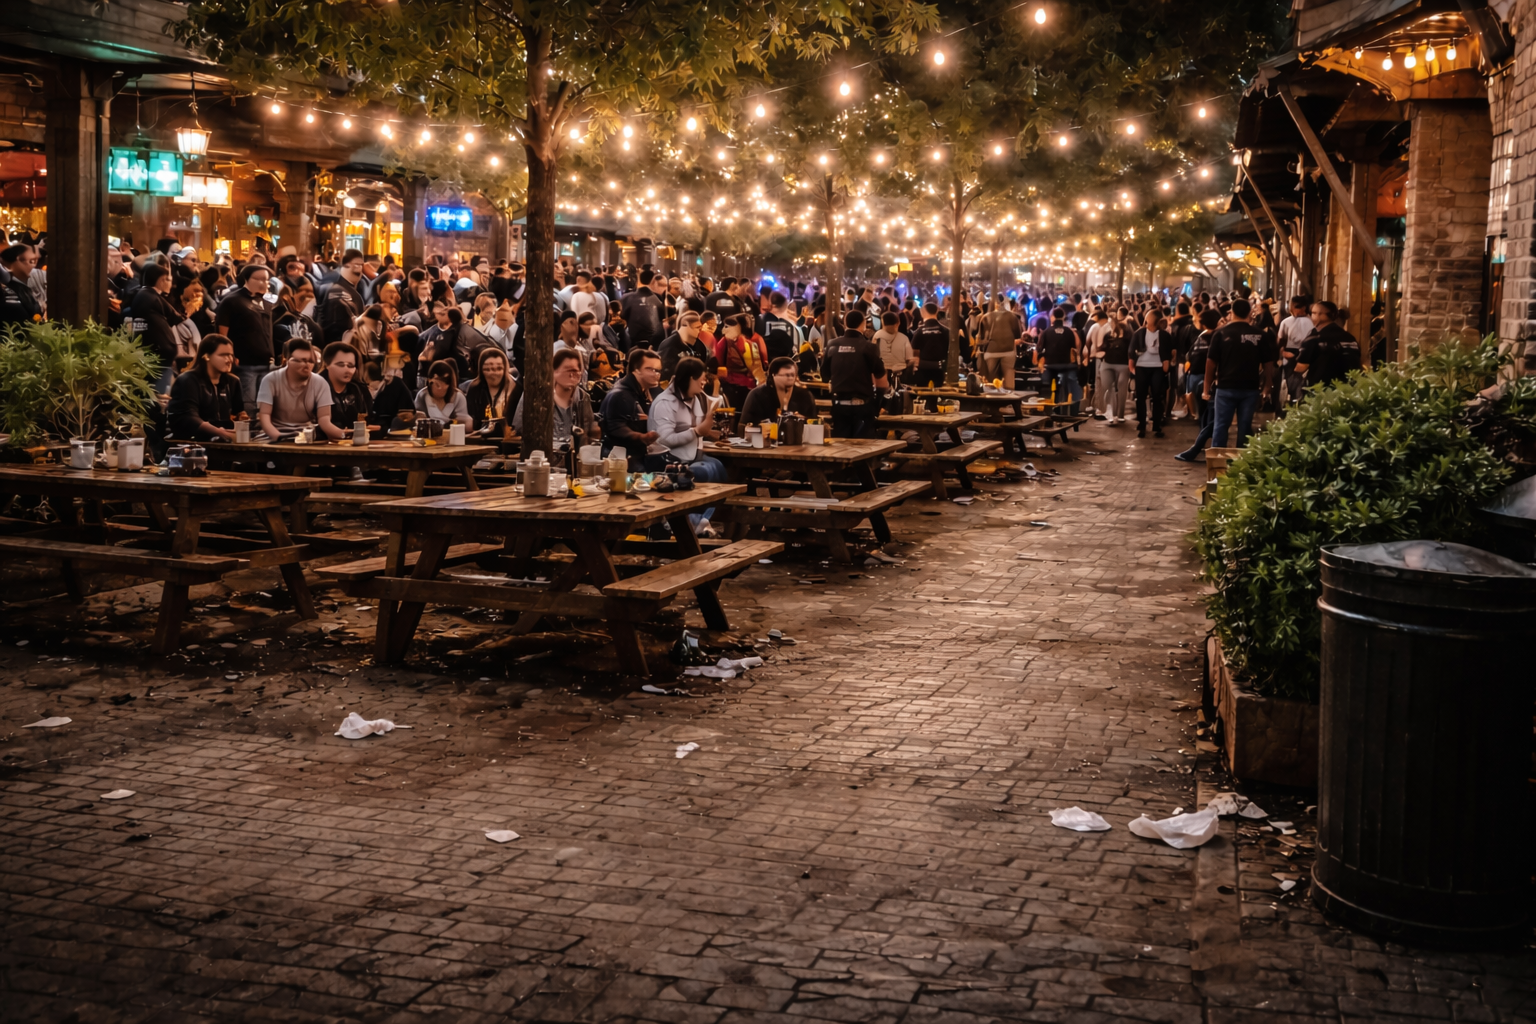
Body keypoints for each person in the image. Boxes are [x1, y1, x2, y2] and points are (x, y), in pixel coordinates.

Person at [650, 356, 729, 530]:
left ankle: (699, 520)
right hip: (666, 460)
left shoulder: (695, 398)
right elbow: (664, 440)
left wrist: (709, 433)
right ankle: (687, 523)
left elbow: (695, 428)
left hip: (690, 455)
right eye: (702, 379)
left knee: (720, 468)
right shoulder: (665, 403)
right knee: (702, 471)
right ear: (691, 378)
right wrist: (698, 431)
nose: (704, 382)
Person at [1204, 297, 1279, 448]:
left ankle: (1217, 462)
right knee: (1244, 428)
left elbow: (1211, 363)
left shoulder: (1220, 334)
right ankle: (1241, 464)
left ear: (1231, 312)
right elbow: (1268, 363)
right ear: (1250, 312)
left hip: (1225, 387)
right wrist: (1267, 385)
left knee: (1220, 427)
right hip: (1250, 388)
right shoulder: (1260, 335)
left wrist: (1206, 388)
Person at [512, 348, 599, 449]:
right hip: (540, 456)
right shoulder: (534, 394)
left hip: (573, 457)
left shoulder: (582, 397)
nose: (570, 374)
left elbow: (588, 435)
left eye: (574, 370)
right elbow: (518, 428)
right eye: (566, 369)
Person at [167, 334, 247, 441]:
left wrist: (242, 418)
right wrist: (219, 432)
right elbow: (189, 419)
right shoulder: (188, 380)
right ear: (206, 356)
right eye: (223, 355)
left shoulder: (233, 382)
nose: (229, 360)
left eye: (231, 355)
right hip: (191, 443)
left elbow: (238, 414)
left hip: (224, 441)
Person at [256, 337, 335, 440]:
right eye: (300, 360)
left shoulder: (320, 382)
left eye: (310, 361)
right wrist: (277, 437)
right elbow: (264, 416)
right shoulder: (270, 380)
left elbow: (325, 420)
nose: (306, 365)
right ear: (286, 359)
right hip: (273, 437)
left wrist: (343, 436)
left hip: (306, 437)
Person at [824, 309, 887, 439]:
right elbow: (881, 379)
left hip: (839, 406)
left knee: (840, 445)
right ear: (863, 324)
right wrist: (877, 403)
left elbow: (825, 375)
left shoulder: (832, 345)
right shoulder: (869, 347)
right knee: (862, 447)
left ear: (845, 323)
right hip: (862, 407)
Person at [220, 263, 276, 405]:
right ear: (247, 279)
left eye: (267, 280)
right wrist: (229, 355)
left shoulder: (267, 303)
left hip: (266, 362)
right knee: (248, 402)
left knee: (265, 403)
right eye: (260, 279)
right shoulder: (232, 301)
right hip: (245, 363)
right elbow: (222, 334)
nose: (264, 283)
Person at [598, 347, 662, 468]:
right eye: (650, 369)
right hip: (621, 461)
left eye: (658, 370)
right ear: (635, 370)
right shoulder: (621, 395)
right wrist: (642, 437)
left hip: (636, 455)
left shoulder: (645, 393)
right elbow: (615, 427)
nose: (656, 374)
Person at [127, 263, 185, 393]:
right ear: (162, 280)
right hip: (157, 361)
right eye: (169, 280)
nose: (171, 284)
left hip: (158, 359)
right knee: (159, 399)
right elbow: (175, 318)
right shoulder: (149, 298)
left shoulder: (148, 296)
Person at [1174, 309, 1222, 462]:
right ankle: (1205, 445)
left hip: (1198, 376)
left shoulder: (1204, 336)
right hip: (1206, 378)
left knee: (1206, 413)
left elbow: (1191, 355)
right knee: (1211, 414)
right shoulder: (1215, 337)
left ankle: (1202, 444)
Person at [1294, 300, 1360, 394]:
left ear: (1320, 315)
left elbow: (1301, 367)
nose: (1311, 316)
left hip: (1320, 391)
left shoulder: (1314, 339)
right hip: (1347, 390)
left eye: (1313, 313)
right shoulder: (1350, 338)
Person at [713, 313, 769, 410]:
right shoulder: (726, 342)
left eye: (727, 327)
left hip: (739, 386)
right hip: (736, 385)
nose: (723, 330)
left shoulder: (751, 343)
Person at [1129, 309, 1171, 438]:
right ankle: (1142, 424)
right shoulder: (1139, 333)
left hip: (1157, 367)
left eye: (1149, 316)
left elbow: (1169, 351)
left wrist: (1166, 362)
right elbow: (1131, 350)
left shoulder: (1164, 335)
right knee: (1140, 396)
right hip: (1141, 366)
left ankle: (1156, 424)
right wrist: (1132, 366)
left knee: (1157, 396)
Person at [740, 356, 819, 424]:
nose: (791, 378)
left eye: (793, 375)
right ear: (773, 375)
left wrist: (802, 420)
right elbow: (745, 425)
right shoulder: (757, 395)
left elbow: (814, 423)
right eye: (787, 375)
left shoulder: (805, 396)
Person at [320, 341, 372, 436]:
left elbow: (368, 419)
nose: (346, 369)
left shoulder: (359, 389)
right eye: (340, 365)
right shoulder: (316, 387)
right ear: (327, 365)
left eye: (351, 366)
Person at [1035, 308, 1081, 414]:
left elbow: (1039, 348)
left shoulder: (1046, 331)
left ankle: (1047, 409)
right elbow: (1076, 346)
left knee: (1046, 385)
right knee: (1070, 383)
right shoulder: (1069, 331)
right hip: (1066, 365)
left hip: (1050, 365)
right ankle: (1072, 410)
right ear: (1063, 317)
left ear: (1053, 317)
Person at [463, 346, 516, 432]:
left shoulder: (515, 388)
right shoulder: (474, 388)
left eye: (499, 369)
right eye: (487, 369)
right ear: (481, 370)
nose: (493, 373)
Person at [1095, 311, 1132, 425]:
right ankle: (1111, 412)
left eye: (1110, 323)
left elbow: (1131, 349)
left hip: (1123, 365)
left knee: (1122, 387)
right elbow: (1101, 348)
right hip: (1108, 363)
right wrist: (1099, 352)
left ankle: (1120, 414)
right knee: (1107, 387)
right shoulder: (1107, 335)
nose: (1109, 326)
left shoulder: (1127, 335)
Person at [1276, 295, 1315, 404]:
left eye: (1296, 306)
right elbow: (1280, 341)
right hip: (1290, 354)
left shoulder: (1311, 322)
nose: (1292, 309)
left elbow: (1280, 341)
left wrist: (1283, 351)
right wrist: (1283, 352)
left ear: (1304, 308)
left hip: (1304, 354)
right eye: (1292, 306)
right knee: (1290, 383)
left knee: (1300, 382)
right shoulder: (1287, 321)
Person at [415, 359, 474, 425]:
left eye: (445, 381)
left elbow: (465, 423)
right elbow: (418, 420)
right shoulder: (422, 395)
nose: (441, 387)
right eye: (437, 383)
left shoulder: (458, 397)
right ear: (429, 381)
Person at [657, 311, 716, 377]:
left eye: (700, 328)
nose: (699, 331)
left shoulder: (700, 345)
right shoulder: (669, 345)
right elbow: (665, 373)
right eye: (697, 327)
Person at [620, 270, 667, 350]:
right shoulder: (658, 299)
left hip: (631, 340)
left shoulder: (626, 297)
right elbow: (663, 319)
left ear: (639, 280)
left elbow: (622, 316)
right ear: (653, 282)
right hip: (652, 343)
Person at [981, 300, 1022, 388]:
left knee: (992, 381)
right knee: (1009, 376)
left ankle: (992, 397)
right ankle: (1010, 397)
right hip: (1008, 351)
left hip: (991, 351)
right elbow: (1018, 335)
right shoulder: (1012, 316)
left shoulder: (985, 317)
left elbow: (981, 337)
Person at [909, 302, 949, 388]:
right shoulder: (945, 331)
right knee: (938, 394)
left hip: (923, 369)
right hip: (940, 369)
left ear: (923, 312)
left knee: (923, 394)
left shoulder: (919, 331)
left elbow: (913, 351)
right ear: (937, 311)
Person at [759, 291, 801, 361]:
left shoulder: (761, 322)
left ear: (771, 305)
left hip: (766, 366)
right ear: (785, 305)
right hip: (788, 365)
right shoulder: (793, 325)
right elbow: (797, 353)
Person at [872, 311, 914, 380]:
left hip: (882, 374)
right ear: (898, 323)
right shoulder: (904, 338)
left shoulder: (877, 335)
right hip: (900, 374)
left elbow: (874, 355)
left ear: (882, 322)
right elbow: (909, 359)